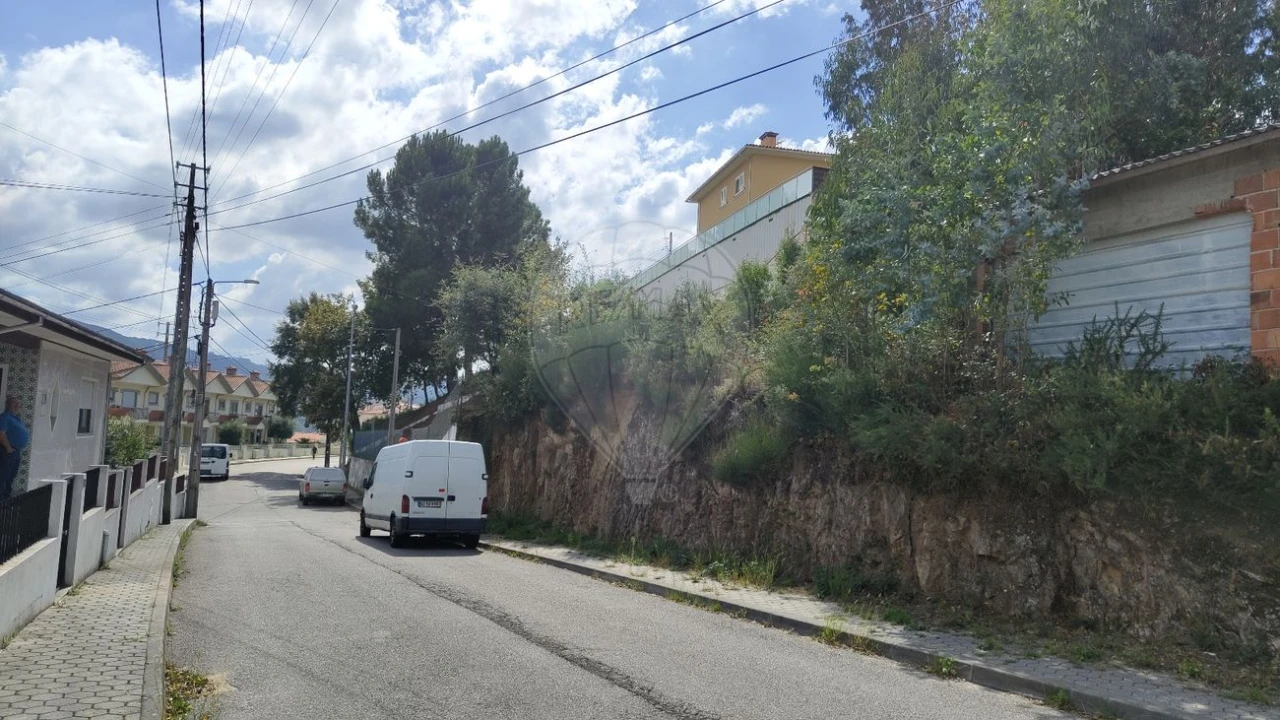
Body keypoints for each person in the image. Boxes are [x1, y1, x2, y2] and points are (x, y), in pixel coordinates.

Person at [0, 396, 30, 499]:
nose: (17, 406)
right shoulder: (5, 417)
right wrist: (8, 447)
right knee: (3, 477)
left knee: (11, 477)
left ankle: (5, 500)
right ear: (8, 404)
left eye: (18, 404)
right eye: (14, 403)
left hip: (15, 452)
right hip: (7, 452)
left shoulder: (16, 418)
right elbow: (1, 433)